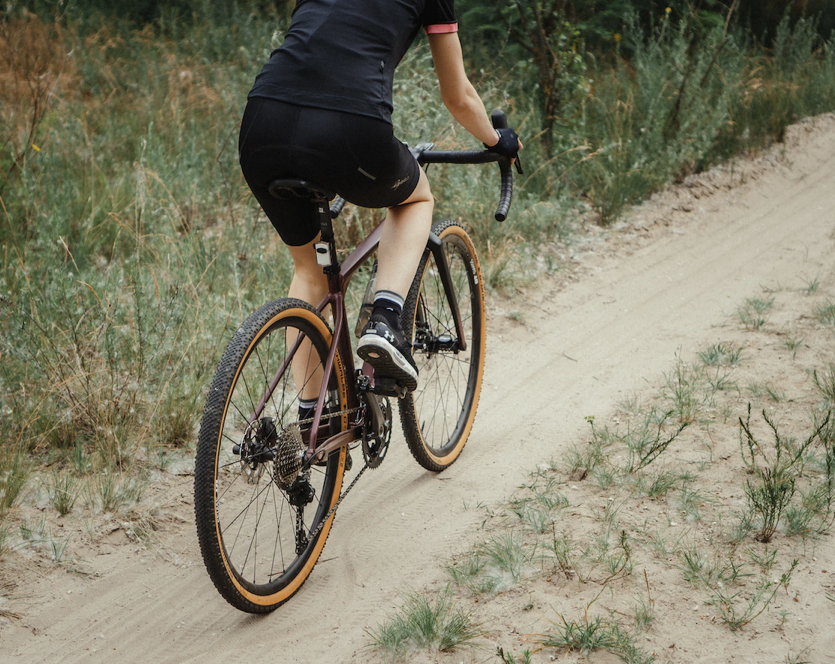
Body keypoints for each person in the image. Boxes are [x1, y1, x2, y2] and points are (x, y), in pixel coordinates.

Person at [238, 0, 521, 402]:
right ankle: (385, 320)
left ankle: (310, 424)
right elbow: (458, 96)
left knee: (310, 270)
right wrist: (498, 141)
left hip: (262, 123)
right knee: (415, 199)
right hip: (350, 127)